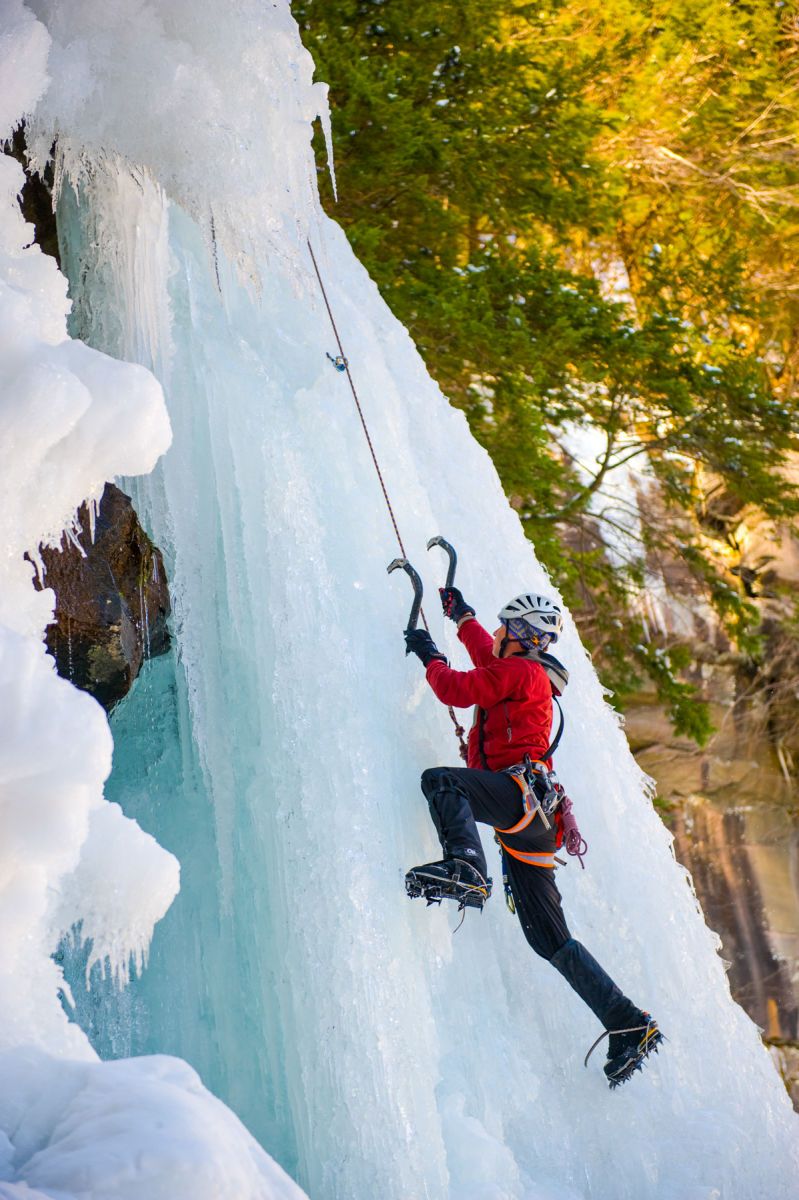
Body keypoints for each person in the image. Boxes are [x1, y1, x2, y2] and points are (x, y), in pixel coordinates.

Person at [403, 587, 662, 1088]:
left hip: (519, 799)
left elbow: (458, 688)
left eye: (503, 628)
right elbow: (484, 659)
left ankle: (466, 867)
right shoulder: (522, 672)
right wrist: (463, 618)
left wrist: (429, 654)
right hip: (534, 820)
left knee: (443, 781)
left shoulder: (521, 671)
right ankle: (627, 1022)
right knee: (548, 937)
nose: (496, 635)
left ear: (520, 636)